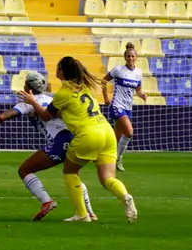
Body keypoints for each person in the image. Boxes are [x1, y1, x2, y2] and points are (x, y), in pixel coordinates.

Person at [19, 55, 137, 223]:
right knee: (108, 178)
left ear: (62, 71)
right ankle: (125, 195)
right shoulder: (84, 88)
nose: (56, 70)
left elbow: (45, 116)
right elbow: (70, 112)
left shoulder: (63, 93)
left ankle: (82, 214)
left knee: (70, 172)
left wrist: (32, 101)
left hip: (88, 135)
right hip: (106, 132)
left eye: (58, 67)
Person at [0, 71, 96, 221]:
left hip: (60, 141)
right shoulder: (51, 100)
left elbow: (2, 117)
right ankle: (89, 213)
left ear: (28, 87)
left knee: (25, 170)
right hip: (75, 139)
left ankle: (46, 201)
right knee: (73, 175)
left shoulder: (28, 103)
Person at [103, 42, 147, 171]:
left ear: (136, 58)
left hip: (128, 108)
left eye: (133, 56)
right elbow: (103, 81)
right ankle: (118, 158)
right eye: (128, 56)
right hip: (117, 105)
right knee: (129, 132)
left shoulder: (138, 73)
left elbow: (138, 89)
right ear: (125, 57)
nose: (130, 58)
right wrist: (106, 98)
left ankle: (104, 156)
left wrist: (142, 95)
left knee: (115, 137)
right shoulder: (118, 70)